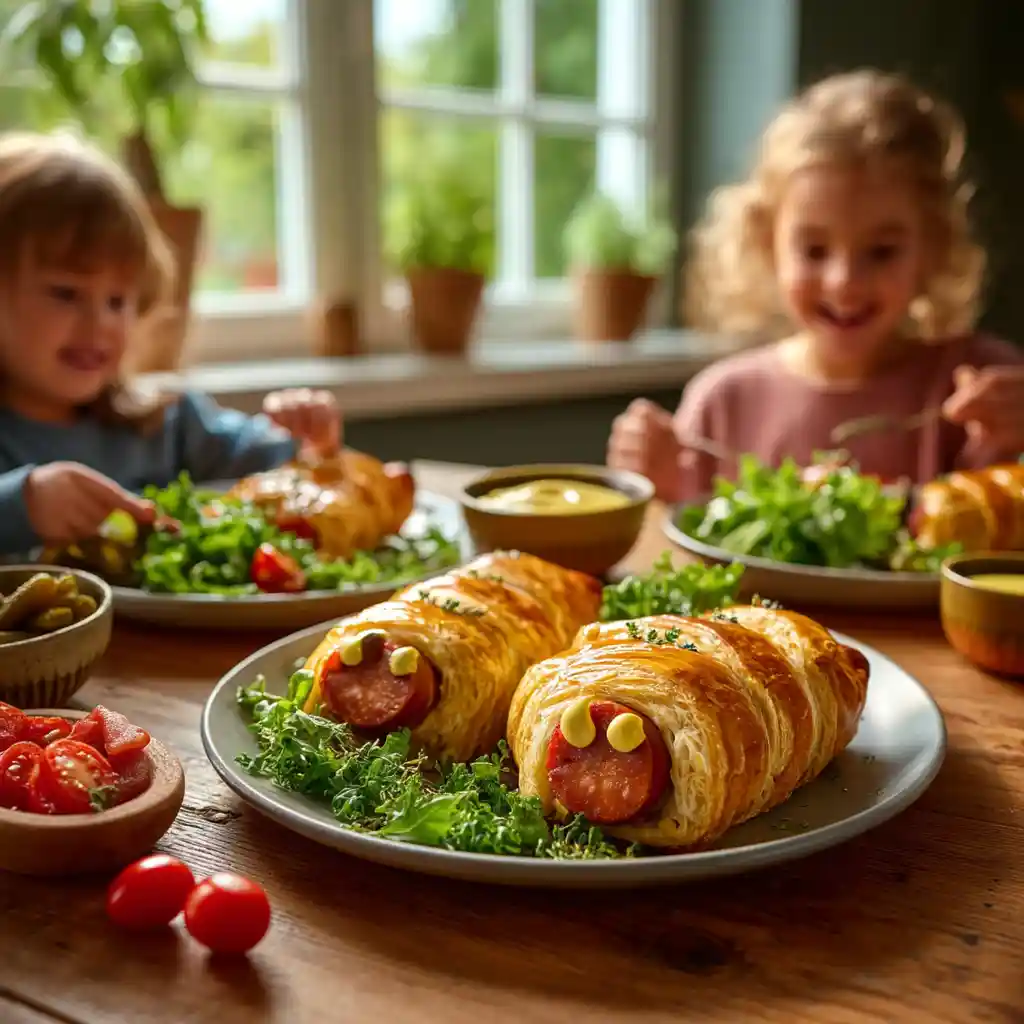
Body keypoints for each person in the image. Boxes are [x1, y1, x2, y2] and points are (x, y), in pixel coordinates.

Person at [607, 70, 1024, 502]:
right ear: (767, 244)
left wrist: (1012, 448)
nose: (843, 283)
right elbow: (686, 545)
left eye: (881, 252)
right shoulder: (722, 402)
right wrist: (656, 487)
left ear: (932, 248)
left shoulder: (978, 385)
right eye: (814, 250)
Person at [0, 131, 342, 556]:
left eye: (117, 300)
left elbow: (282, 463)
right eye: (66, 293)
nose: (99, 324)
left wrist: (311, 435)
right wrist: (20, 506)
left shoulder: (168, 423)